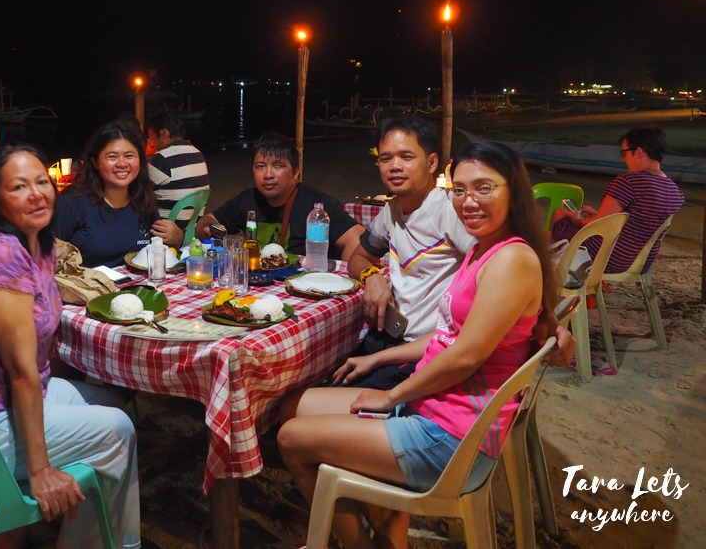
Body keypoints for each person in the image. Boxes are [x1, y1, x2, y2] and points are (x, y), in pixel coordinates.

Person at [277, 142, 558, 549]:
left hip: (451, 435)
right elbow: (451, 336)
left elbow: (466, 355)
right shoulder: (482, 250)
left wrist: (390, 396)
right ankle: (385, 531)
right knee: (291, 407)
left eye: (484, 188)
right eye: (458, 190)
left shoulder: (511, 260)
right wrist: (379, 357)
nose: (468, 202)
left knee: (291, 438)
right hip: (434, 403)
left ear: (512, 189)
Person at [0, 144, 141, 548]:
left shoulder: (38, 244)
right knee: (118, 430)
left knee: (108, 400)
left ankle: (65, 530)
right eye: (19, 187)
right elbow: (21, 370)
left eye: (42, 181)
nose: (36, 193)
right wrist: (39, 469)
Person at [340, 118, 477, 388]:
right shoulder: (390, 212)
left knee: (323, 403)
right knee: (331, 375)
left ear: (432, 163)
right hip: (391, 336)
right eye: (386, 158)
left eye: (406, 157)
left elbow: (493, 268)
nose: (394, 167)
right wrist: (373, 277)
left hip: (428, 351)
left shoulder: (448, 211)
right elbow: (357, 257)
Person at [195, 132, 363, 262]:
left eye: (278, 166)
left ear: (295, 172)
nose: (268, 175)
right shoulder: (248, 200)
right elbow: (206, 221)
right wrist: (209, 229)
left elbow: (357, 240)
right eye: (260, 166)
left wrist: (343, 277)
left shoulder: (317, 206)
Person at [550, 124, 684, 274]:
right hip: (642, 261)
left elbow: (598, 224)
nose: (624, 159)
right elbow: (636, 221)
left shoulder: (629, 181)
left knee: (559, 215)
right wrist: (597, 214)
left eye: (624, 153)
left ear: (638, 152)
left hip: (611, 257)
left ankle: (562, 275)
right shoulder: (674, 190)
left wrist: (577, 220)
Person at [54, 121, 183, 267]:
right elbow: (46, 261)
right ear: (95, 162)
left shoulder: (143, 198)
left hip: (138, 288)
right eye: (112, 157)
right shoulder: (71, 203)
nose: (122, 163)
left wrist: (177, 238)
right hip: (89, 287)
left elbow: (158, 249)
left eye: (129, 156)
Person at [146, 111, 210, 224]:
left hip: (167, 229)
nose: (152, 145)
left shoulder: (162, 159)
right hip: (193, 227)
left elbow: (141, 188)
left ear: (163, 133)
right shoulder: (197, 154)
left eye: (152, 139)